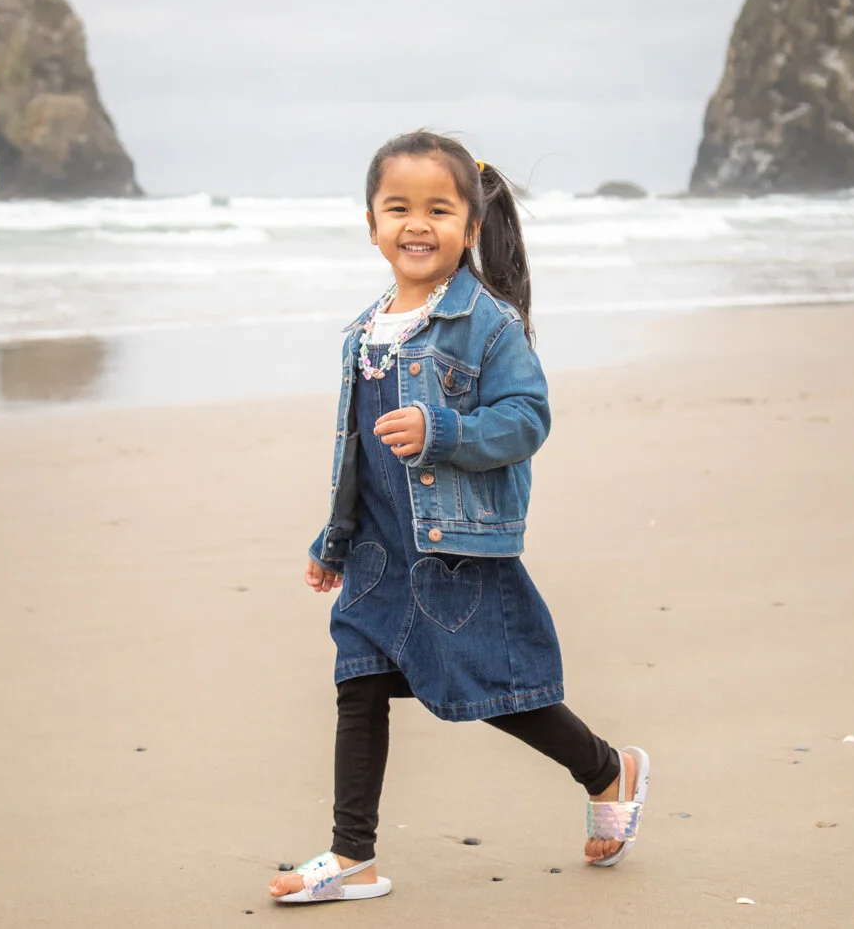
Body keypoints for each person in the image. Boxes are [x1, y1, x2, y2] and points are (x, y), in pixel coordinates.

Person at [268, 130, 649, 905]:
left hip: (454, 553)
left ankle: (607, 768)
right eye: (398, 207)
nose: (417, 223)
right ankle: (352, 854)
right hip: (377, 555)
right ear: (371, 224)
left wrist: (442, 430)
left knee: (498, 690)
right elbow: (357, 456)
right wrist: (333, 539)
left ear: (470, 225)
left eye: (439, 209)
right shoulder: (364, 332)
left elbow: (528, 418)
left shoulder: (488, 323)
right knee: (358, 684)